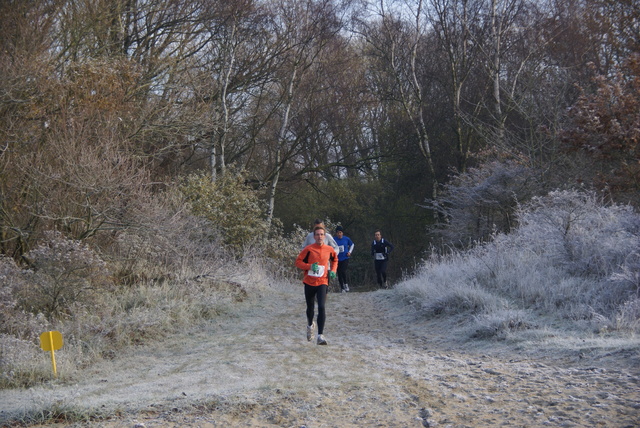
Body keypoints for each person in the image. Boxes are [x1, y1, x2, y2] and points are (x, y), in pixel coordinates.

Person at [295, 225, 337, 345]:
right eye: (317, 234)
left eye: (322, 234)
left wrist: (333, 271)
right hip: (309, 282)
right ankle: (310, 326)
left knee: (322, 307)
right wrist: (309, 266)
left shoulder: (329, 249)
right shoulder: (308, 249)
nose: (319, 237)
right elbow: (298, 262)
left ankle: (320, 336)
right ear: (314, 236)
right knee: (310, 308)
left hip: (323, 281)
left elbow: (335, 260)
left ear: (325, 236)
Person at [333, 225, 354, 292]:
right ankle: (342, 288)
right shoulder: (334, 239)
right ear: (336, 233)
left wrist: (349, 252)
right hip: (337, 259)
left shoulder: (346, 239)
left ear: (342, 233)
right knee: (339, 273)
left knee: (343, 271)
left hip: (345, 258)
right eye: (338, 233)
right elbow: (331, 247)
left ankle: (346, 284)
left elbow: (352, 245)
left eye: (340, 232)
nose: (339, 234)